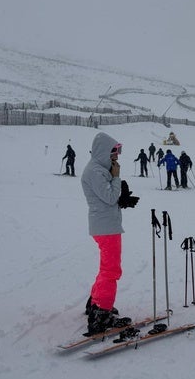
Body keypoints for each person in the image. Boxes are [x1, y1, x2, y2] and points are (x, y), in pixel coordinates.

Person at [81, 132, 139, 335]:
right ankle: (102, 314)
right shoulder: (95, 171)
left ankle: (96, 304)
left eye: (118, 151)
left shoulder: (98, 169)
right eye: (114, 152)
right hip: (106, 228)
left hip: (106, 225)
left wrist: (122, 198)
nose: (117, 156)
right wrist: (116, 179)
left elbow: (110, 198)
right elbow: (109, 196)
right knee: (111, 271)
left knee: (106, 268)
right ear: (103, 152)